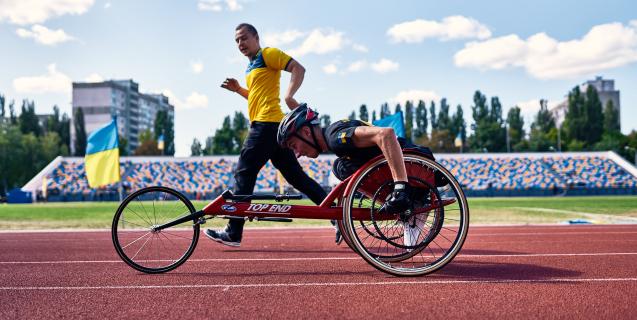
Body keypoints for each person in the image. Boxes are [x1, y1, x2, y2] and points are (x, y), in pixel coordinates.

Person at [205, 23, 335, 247]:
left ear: (256, 37)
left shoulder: (268, 54)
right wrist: (238, 89)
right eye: (236, 41)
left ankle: (233, 232)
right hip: (273, 127)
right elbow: (257, 98)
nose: (240, 44)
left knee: (244, 173)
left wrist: (290, 96)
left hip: (266, 125)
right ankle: (337, 215)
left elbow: (299, 68)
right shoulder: (251, 67)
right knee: (296, 177)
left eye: (244, 38)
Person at [277, 104, 441, 245]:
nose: (297, 154)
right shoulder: (334, 140)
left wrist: (400, 188)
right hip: (412, 164)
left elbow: (385, 134)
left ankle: (412, 200)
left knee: (342, 167)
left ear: (306, 132)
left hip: (415, 164)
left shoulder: (334, 137)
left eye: (294, 145)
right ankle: (409, 203)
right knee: (341, 166)